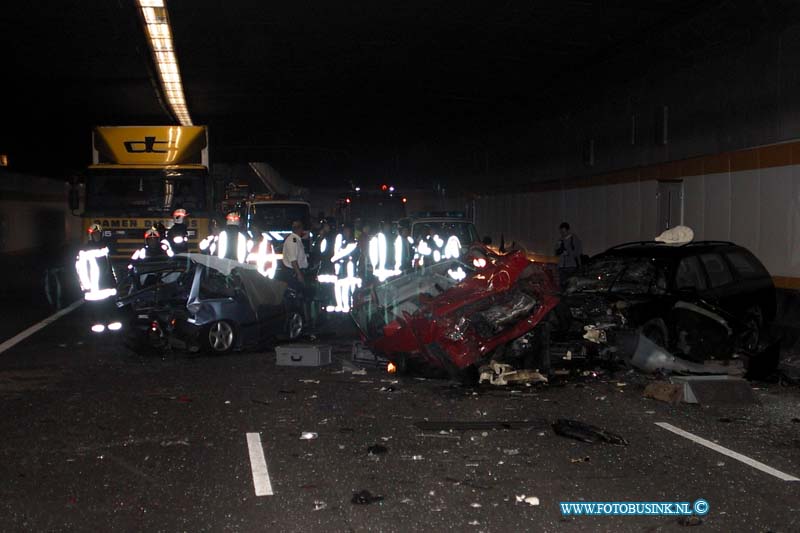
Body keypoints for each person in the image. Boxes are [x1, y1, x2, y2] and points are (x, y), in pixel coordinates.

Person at [75, 224, 119, 332]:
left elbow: (110, 266)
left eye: (98, 233)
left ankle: (110, 321)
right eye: (95, 234)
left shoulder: (105, 247)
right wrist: (85, 285)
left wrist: (114, 280)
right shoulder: (84, 250)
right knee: (96, 307)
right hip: (93, 285)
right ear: (90, 235)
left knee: (108, 303)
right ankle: (97, 322)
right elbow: (80, 269)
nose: (97, 236)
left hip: (106, 283)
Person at [555, 222, 583, 292]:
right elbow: (556, 252)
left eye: (564, 231)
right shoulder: (560, 240)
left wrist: (568, 253)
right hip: (562, 266)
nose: (563, 233)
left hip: (571, 266)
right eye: (561, 232)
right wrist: (559, 250)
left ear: (568, 230)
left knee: (571, 285)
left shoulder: (574, 239)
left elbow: (578, 252)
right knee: (563, 285)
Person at [282, 219, 309, 289]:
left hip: (295, 272)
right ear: (300, 229)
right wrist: (299, 275)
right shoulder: (292, 240)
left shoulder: (296, 239)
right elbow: (293, 260)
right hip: (293, 273)